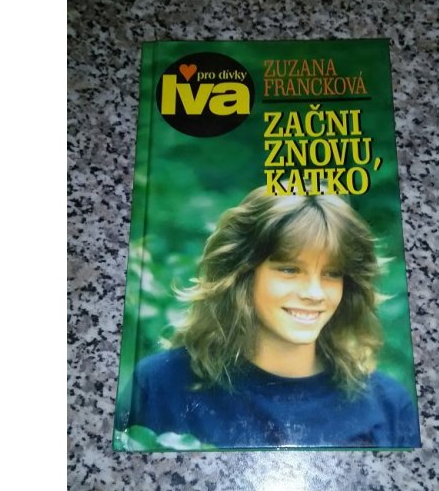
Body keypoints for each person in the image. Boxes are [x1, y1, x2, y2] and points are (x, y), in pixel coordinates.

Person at [122, 187, 420, 448]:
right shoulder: (158, 386)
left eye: (332, 273)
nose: (314, 293)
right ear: (242, 274)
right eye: (289, 270)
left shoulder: (388, 406)